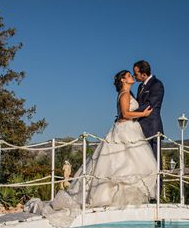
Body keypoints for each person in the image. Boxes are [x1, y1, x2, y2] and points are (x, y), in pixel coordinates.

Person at [68, 70, 158, 207]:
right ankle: (111, 198)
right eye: (128, 76)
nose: (131, 77)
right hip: (125, 130)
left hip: (130, 129)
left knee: (131, 164)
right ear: (123, 80)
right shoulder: (125, 94)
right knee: (125, 164)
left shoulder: (127, 94)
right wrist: (143, 114)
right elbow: (125, 114)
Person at [133, 60, 165, 157]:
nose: (134, 76)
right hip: (139, 127)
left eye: (135, 74)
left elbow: (149, 105)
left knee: (154, 158)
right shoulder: (140, 87)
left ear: (143, 74)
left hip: (152, 128)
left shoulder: (156, 84)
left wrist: (130, 114)